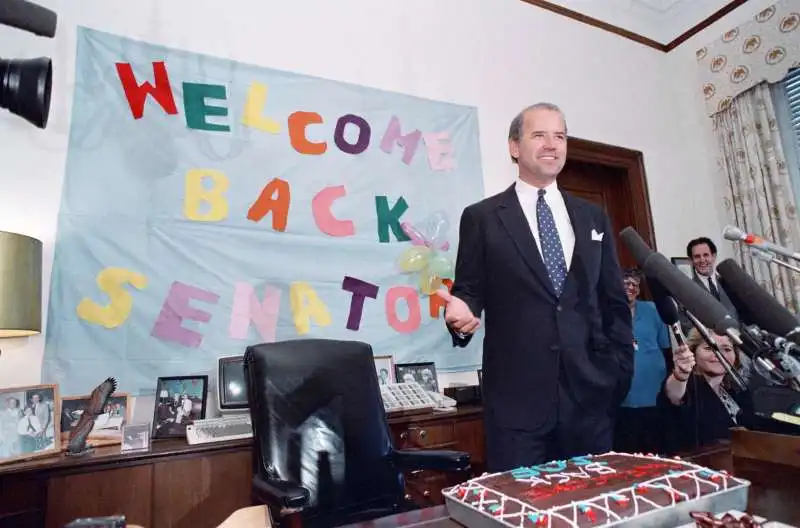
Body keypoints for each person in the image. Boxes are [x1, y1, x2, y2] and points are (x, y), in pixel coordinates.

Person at [436, 102, 633, 471]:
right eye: (539, 135)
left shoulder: (593, 215)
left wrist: (619, 370)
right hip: (517, 405)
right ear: (514, 147)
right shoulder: (482, 218)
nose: (552, 144)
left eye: (559, 136)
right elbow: (469, 293)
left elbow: (613, 300)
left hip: (590, 398)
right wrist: (459, 315)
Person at [658, 328, 752, 452]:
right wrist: (681, 375)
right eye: (709, 348)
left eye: (727, 349)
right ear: (693, 353)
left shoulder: (737, 390)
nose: (719, 354)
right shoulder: (689, 385)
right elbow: (674, 395)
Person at [613, 268, 671, 454]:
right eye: (626, 283)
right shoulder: (606, 312)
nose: (631, 288)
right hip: (621, 397)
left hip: (654, 393)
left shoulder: (653, 309)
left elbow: (665, 345)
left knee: (656, 452)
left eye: (635, 285)